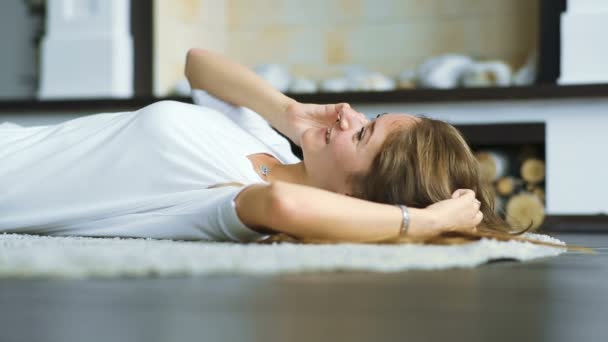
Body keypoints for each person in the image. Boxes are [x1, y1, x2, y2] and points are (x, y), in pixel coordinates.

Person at [0, 48, 574, 251]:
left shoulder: (237, 205)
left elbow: (284, 212)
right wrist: (291, 114)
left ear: (359, 193)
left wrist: (422, 223)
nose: (348, 114)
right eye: (370, 117)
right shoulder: (265, 145)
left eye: (364, 134)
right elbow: (199, 63)